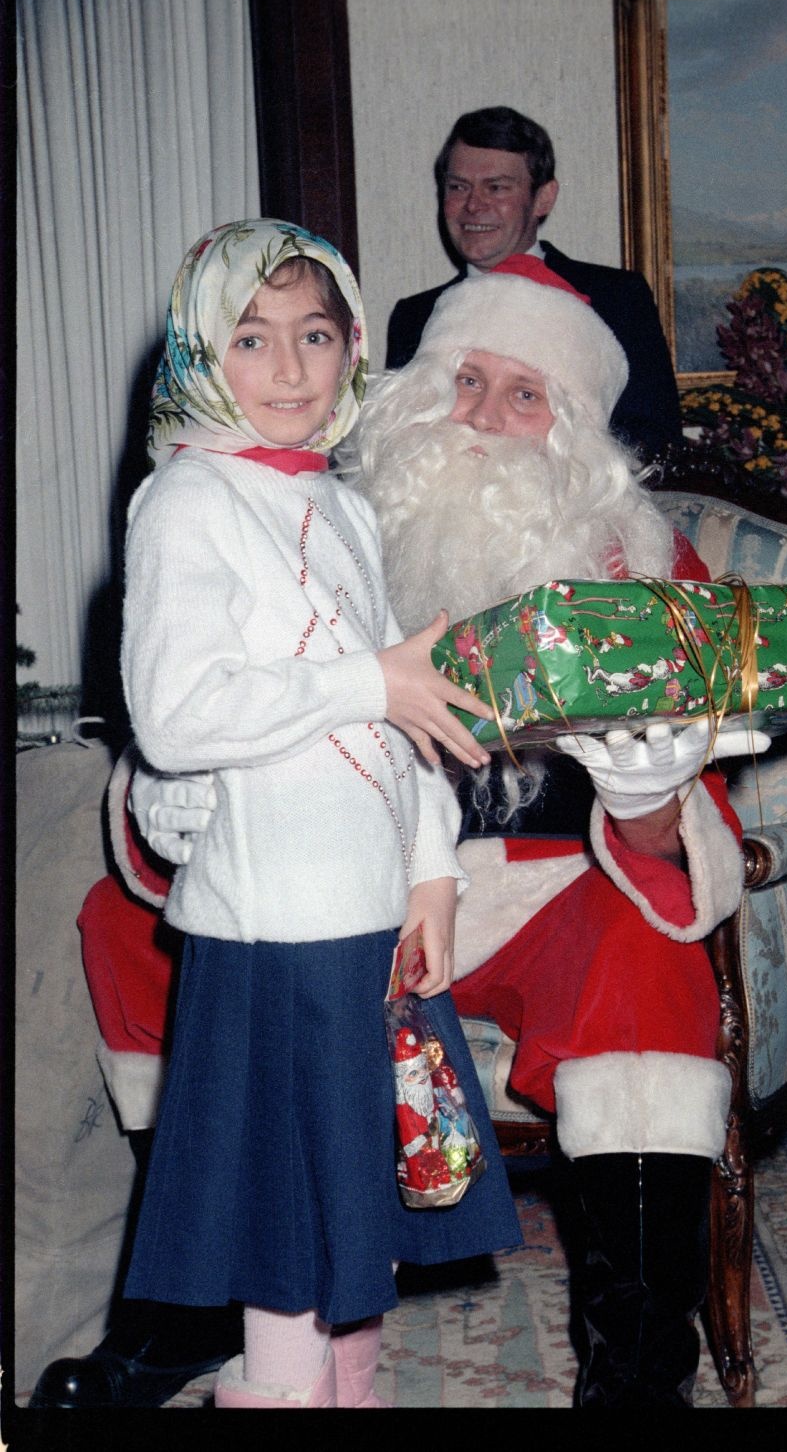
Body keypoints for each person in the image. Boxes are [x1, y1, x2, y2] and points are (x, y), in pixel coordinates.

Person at [85, 218, 523, 1413]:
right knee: (284, 1236)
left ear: (350, 353)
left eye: (315, 336)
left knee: (364, 1210)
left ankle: (351, 1394)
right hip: (275, 936)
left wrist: (433, 871)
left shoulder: (348, 508)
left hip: (376, 926)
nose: (289, 370)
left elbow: (408, 710)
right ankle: (274, 1396)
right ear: (198, 355)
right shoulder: (185, 502)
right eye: (252, 338)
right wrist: (362, 681)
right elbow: (176, 718)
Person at [385, 105, 684, 473]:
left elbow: (655, 442)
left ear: (544, 198)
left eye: (496, 188)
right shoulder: (413, 317)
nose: (474, 205)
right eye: (458, 187)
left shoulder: (617, 298)